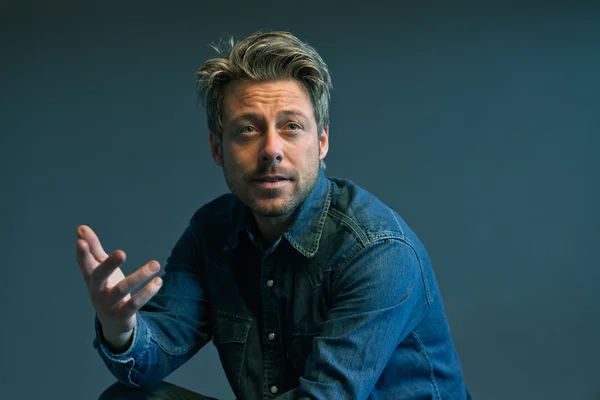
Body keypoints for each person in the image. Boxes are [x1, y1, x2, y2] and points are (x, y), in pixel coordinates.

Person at [76, 30, 473, 400]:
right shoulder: (211, 232)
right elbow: (153, 354)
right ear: (218, 149)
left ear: (321, 142)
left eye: (291, 127)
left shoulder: (379, 251)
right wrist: (120, 329)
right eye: (248, 129)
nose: (271, 149)